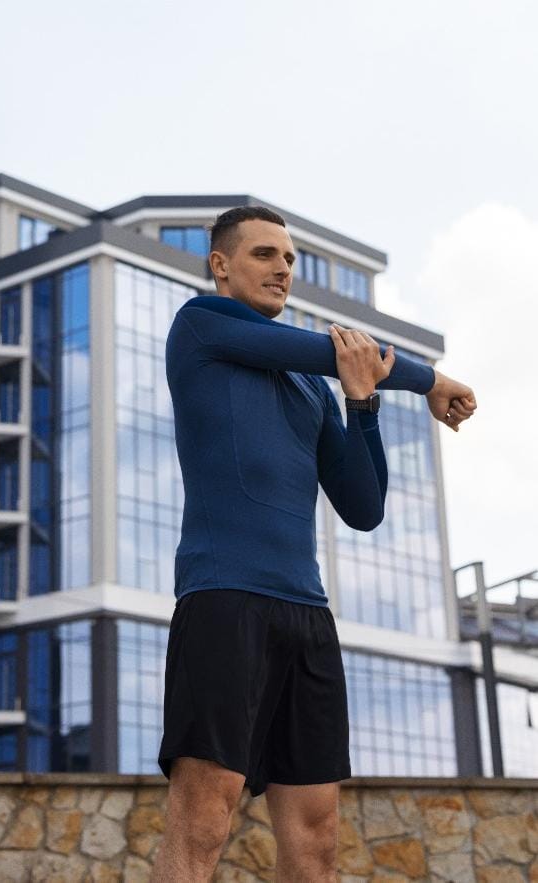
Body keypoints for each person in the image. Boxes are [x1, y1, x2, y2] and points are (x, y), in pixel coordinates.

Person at [151, 206, 476, 882]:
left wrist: (362, 406)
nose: (281, 269)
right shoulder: (200, 326)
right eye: (265, 254)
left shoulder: (311, 386)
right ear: (220, 264)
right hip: (224, 598)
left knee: (317, 835)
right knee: (204, 819)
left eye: (289, 259)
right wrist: (432, 380)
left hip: (305, 612)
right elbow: (327, 349)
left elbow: (361, 506)